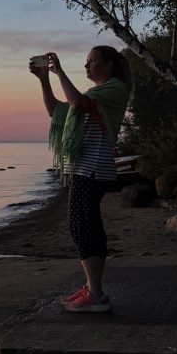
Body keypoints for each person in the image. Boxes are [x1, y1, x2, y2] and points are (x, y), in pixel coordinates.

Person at [29, 46, 133, 313]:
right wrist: (45, 79)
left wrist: (60, 71)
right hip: (83, 167)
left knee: (85, 227)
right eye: (85, 62)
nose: (86, 66)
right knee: (80, 226)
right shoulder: (93, 94)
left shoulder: (115, 89)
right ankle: (91, 288)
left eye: (91, 61)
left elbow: (76, 103)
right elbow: (57, 111)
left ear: (109, 64)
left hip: (94, 168)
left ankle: (96, 294)